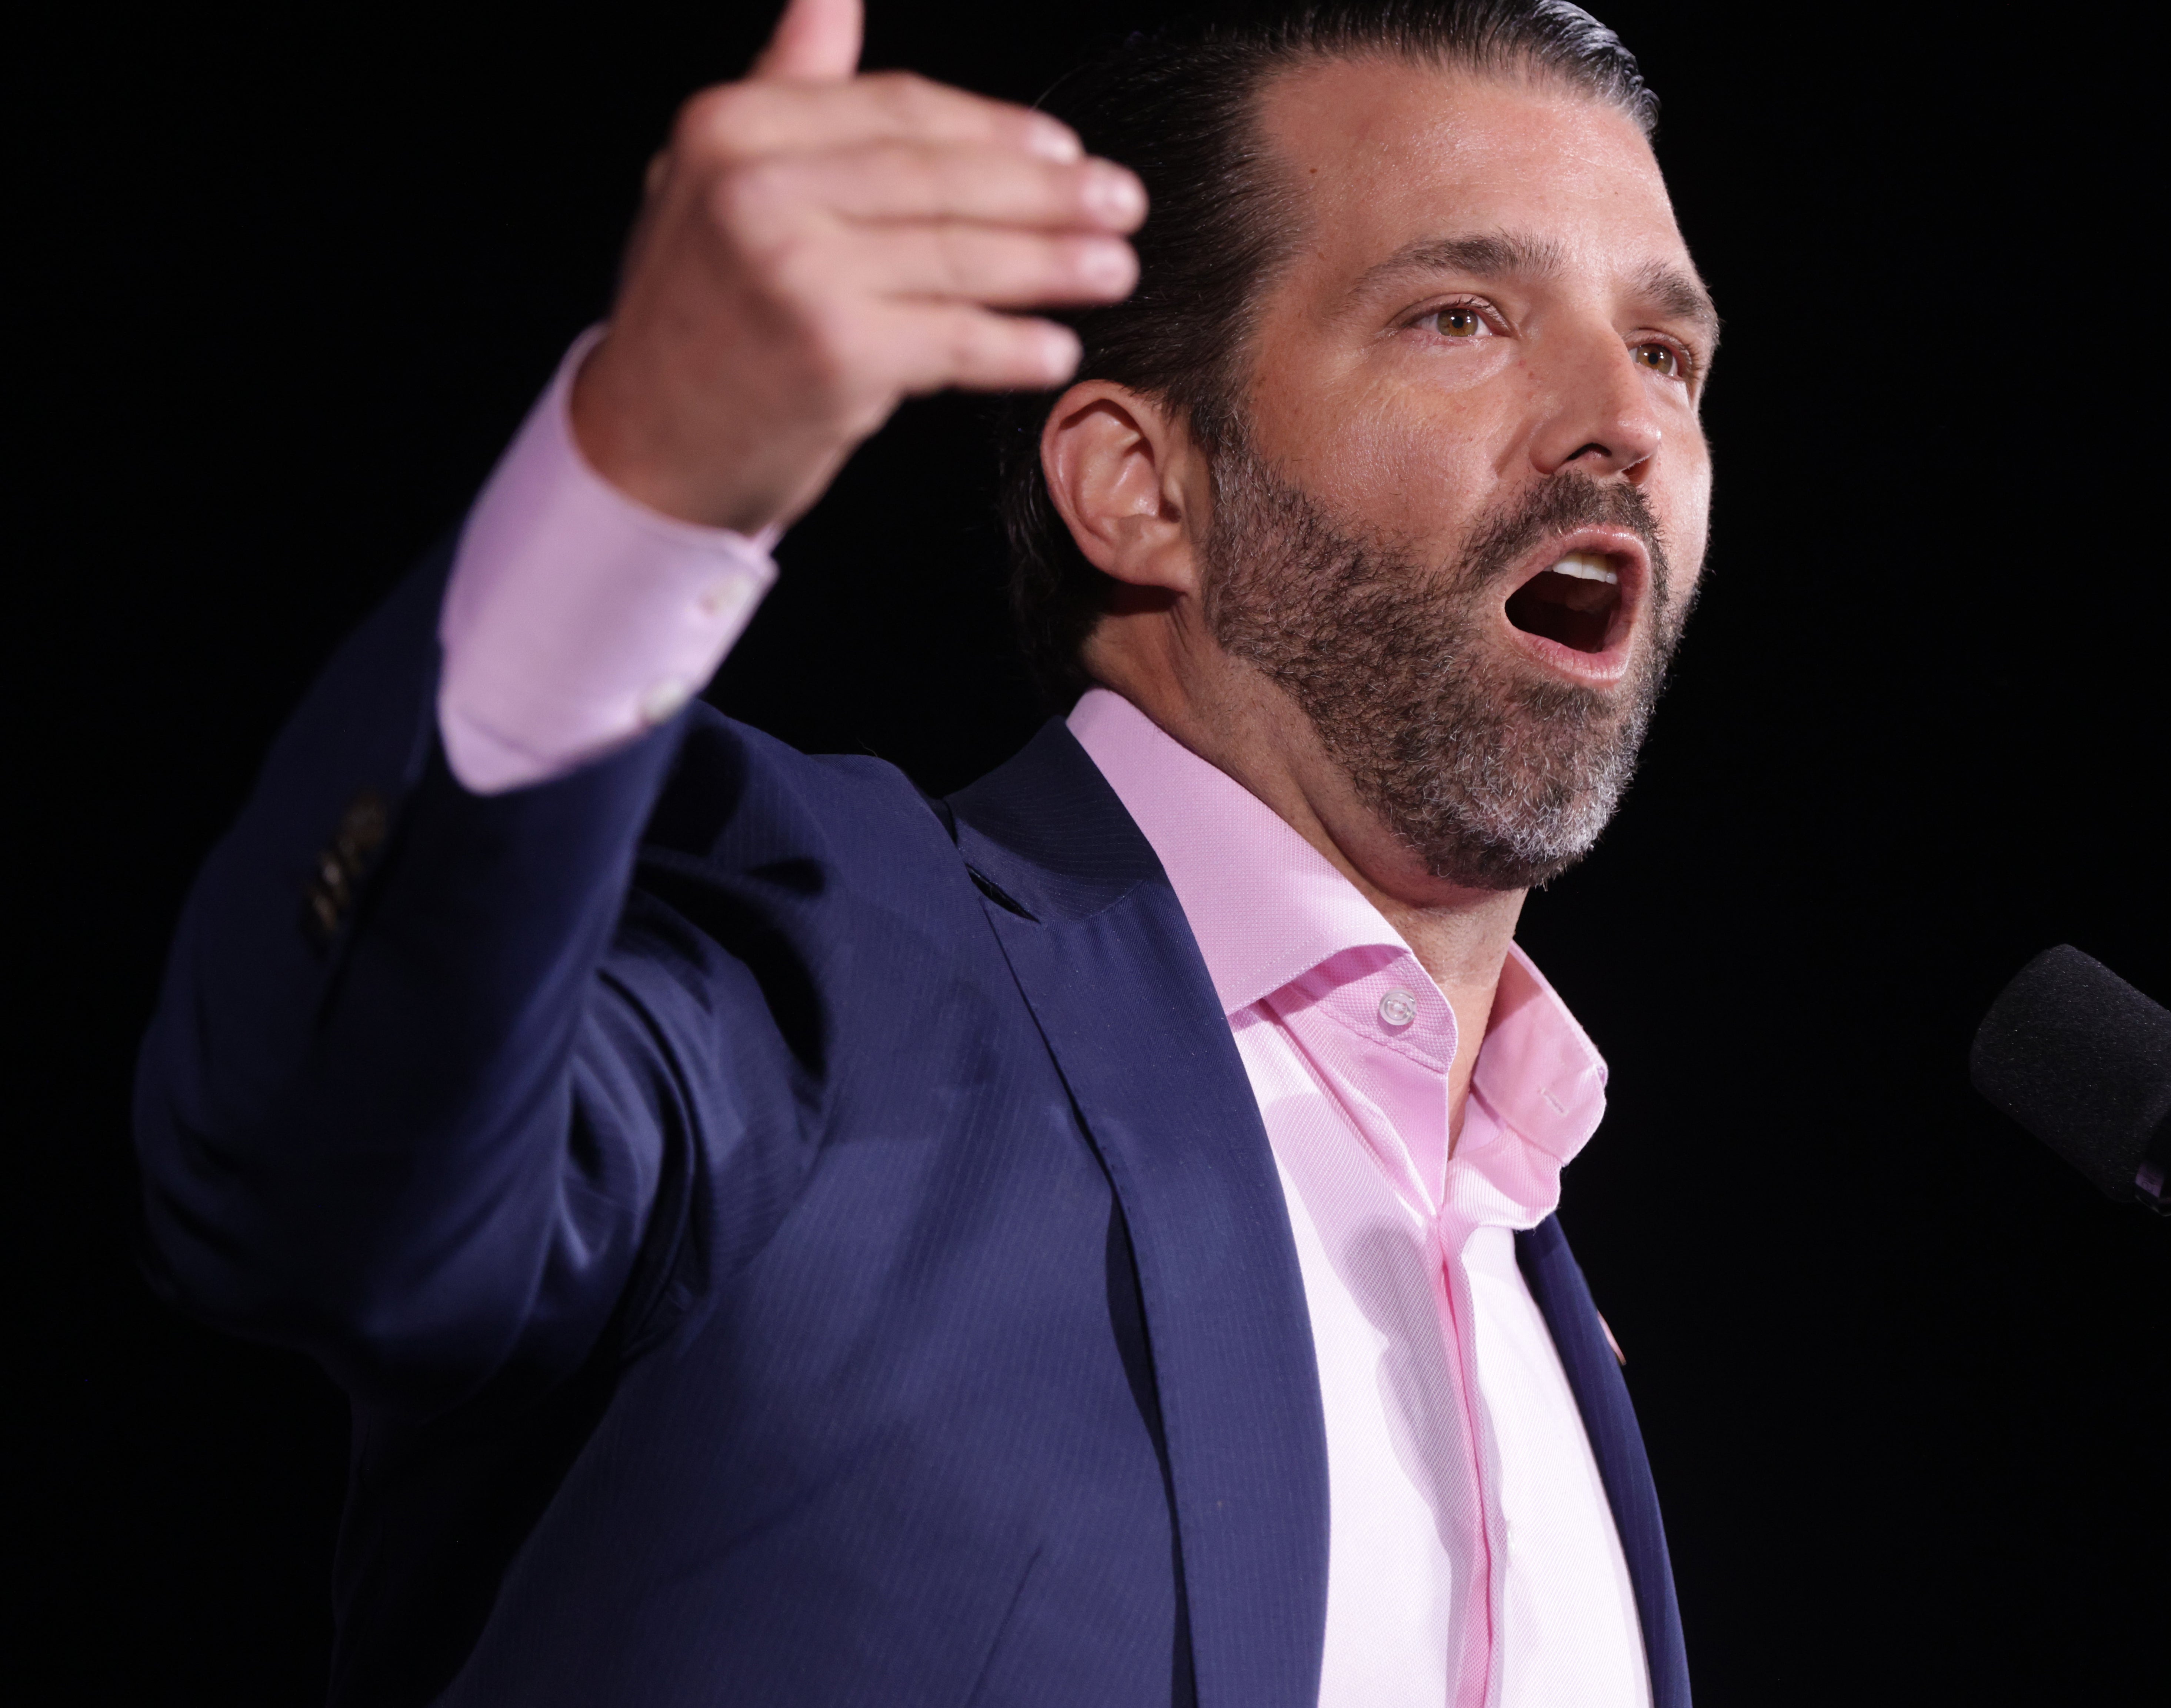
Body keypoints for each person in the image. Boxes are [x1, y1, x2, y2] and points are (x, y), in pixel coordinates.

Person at [134, 0, 1718, 1702]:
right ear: (1140, 487)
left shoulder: (1549, 1300)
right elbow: (333, 1174)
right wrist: (642, 476)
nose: (1618, 420)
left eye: (1666, 353)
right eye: (1461, 316)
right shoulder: (822, 955)